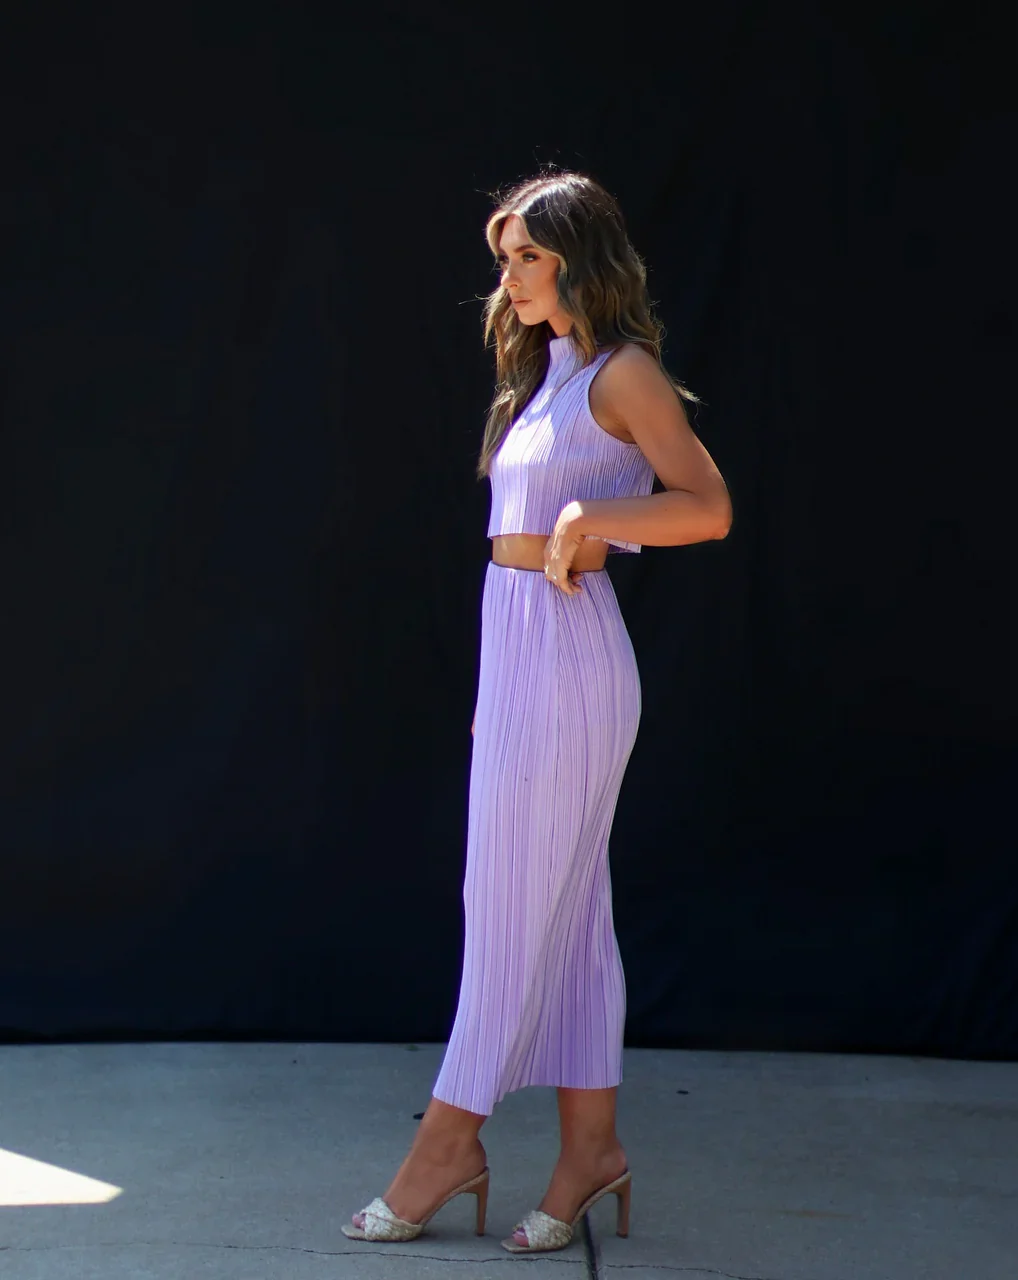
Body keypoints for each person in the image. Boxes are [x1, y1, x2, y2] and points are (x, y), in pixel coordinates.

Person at [343, 170, 732, 1254]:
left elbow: (707, 506)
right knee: (568, 913)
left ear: (578, 259)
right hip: (523, 660)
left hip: (572, 658)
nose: (508, 277)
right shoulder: (546, 377)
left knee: (509, 907)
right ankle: (590, 1150)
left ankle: (447, 1141)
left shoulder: (624, 372)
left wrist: (591, 515)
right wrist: (492, 693)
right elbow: (507, 560)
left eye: (527, 256)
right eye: (503, 258)